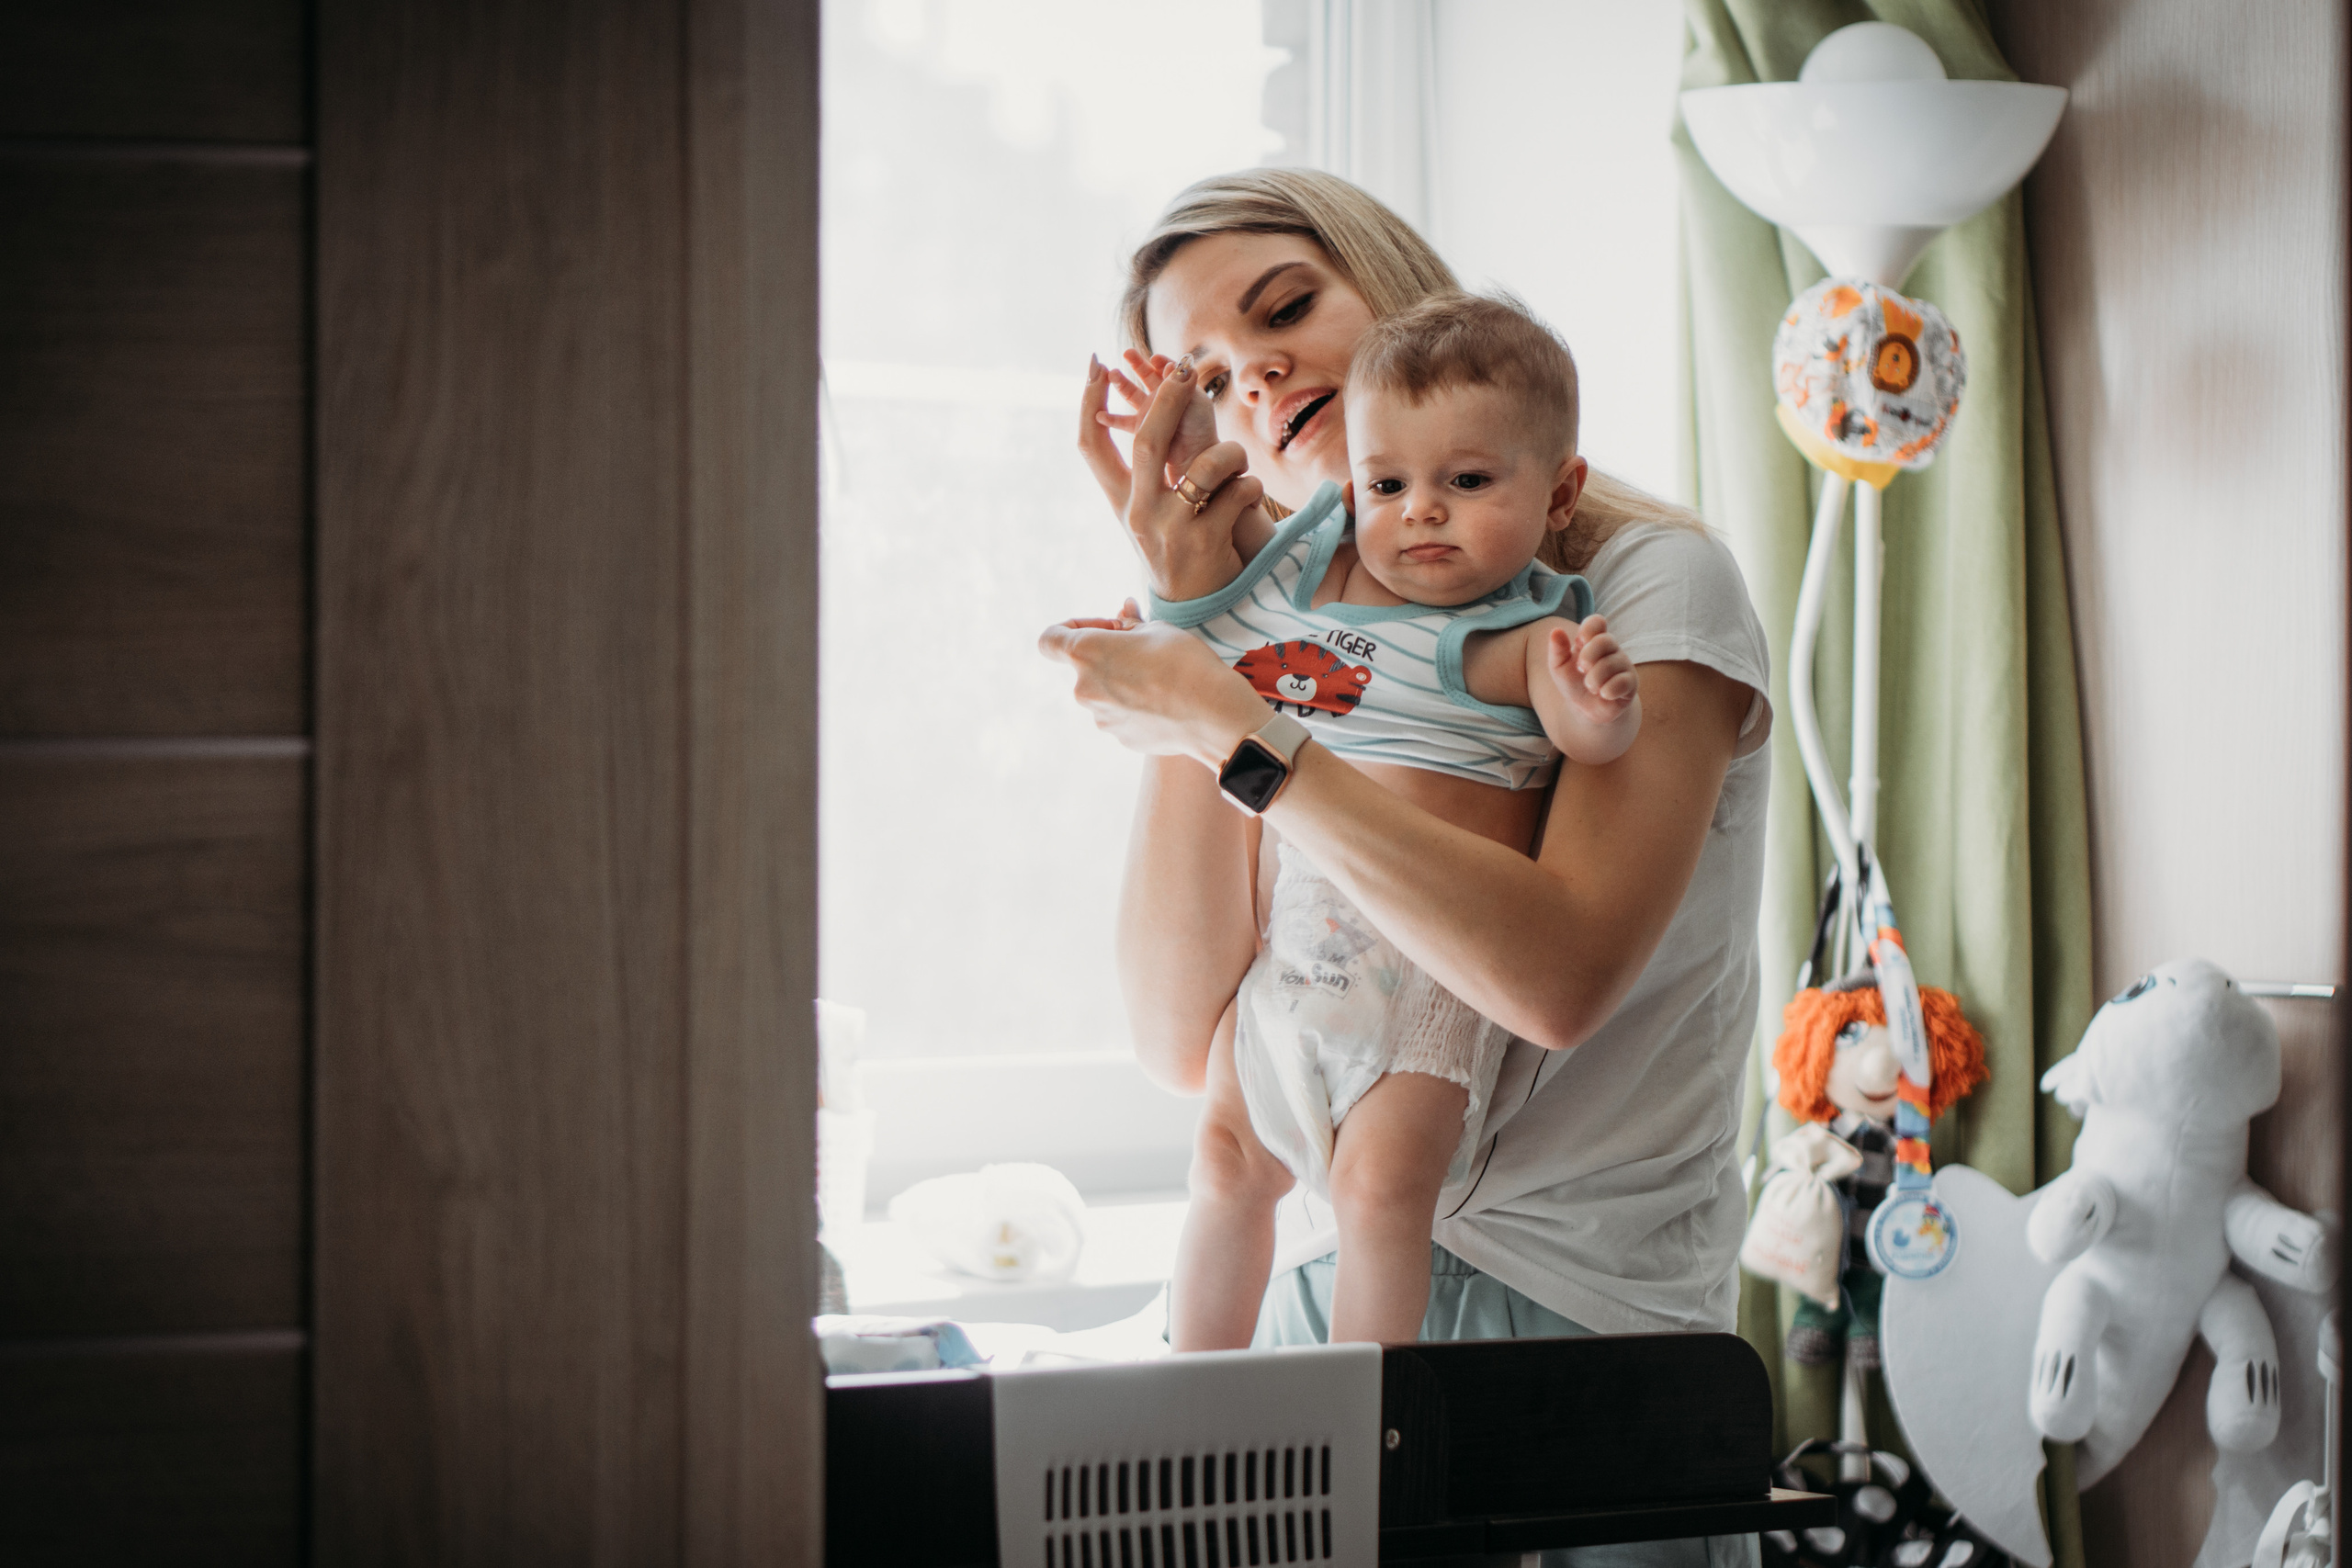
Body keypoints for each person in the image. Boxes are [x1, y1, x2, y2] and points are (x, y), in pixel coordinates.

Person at [1040, 168, 1772, 1566]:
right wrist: (1190, 620)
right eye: (1209, 373)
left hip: (1584, 1337)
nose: (1259, 377)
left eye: (1288, 309)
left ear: (1396, 290)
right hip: (1323, 1308)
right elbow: (1178, 1032)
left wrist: (1234, 722)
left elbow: (1555, 978)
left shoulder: (1642, 587)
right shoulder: (1289, 635)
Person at [1119, 291, 1645, 1350]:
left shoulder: (1518, 630)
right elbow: (1223, 570)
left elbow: (1582, 738)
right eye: (1387, 484)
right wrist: (1183, 453)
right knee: (1222, 1163)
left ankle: (1368, 1418)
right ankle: (1187, 1398)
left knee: (1378, 1192)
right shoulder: (1314, 581)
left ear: (1558, 492)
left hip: (1426, 987)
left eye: (1466, 481)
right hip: (1292, 961)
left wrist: (1597, 705)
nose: (1421, 511)